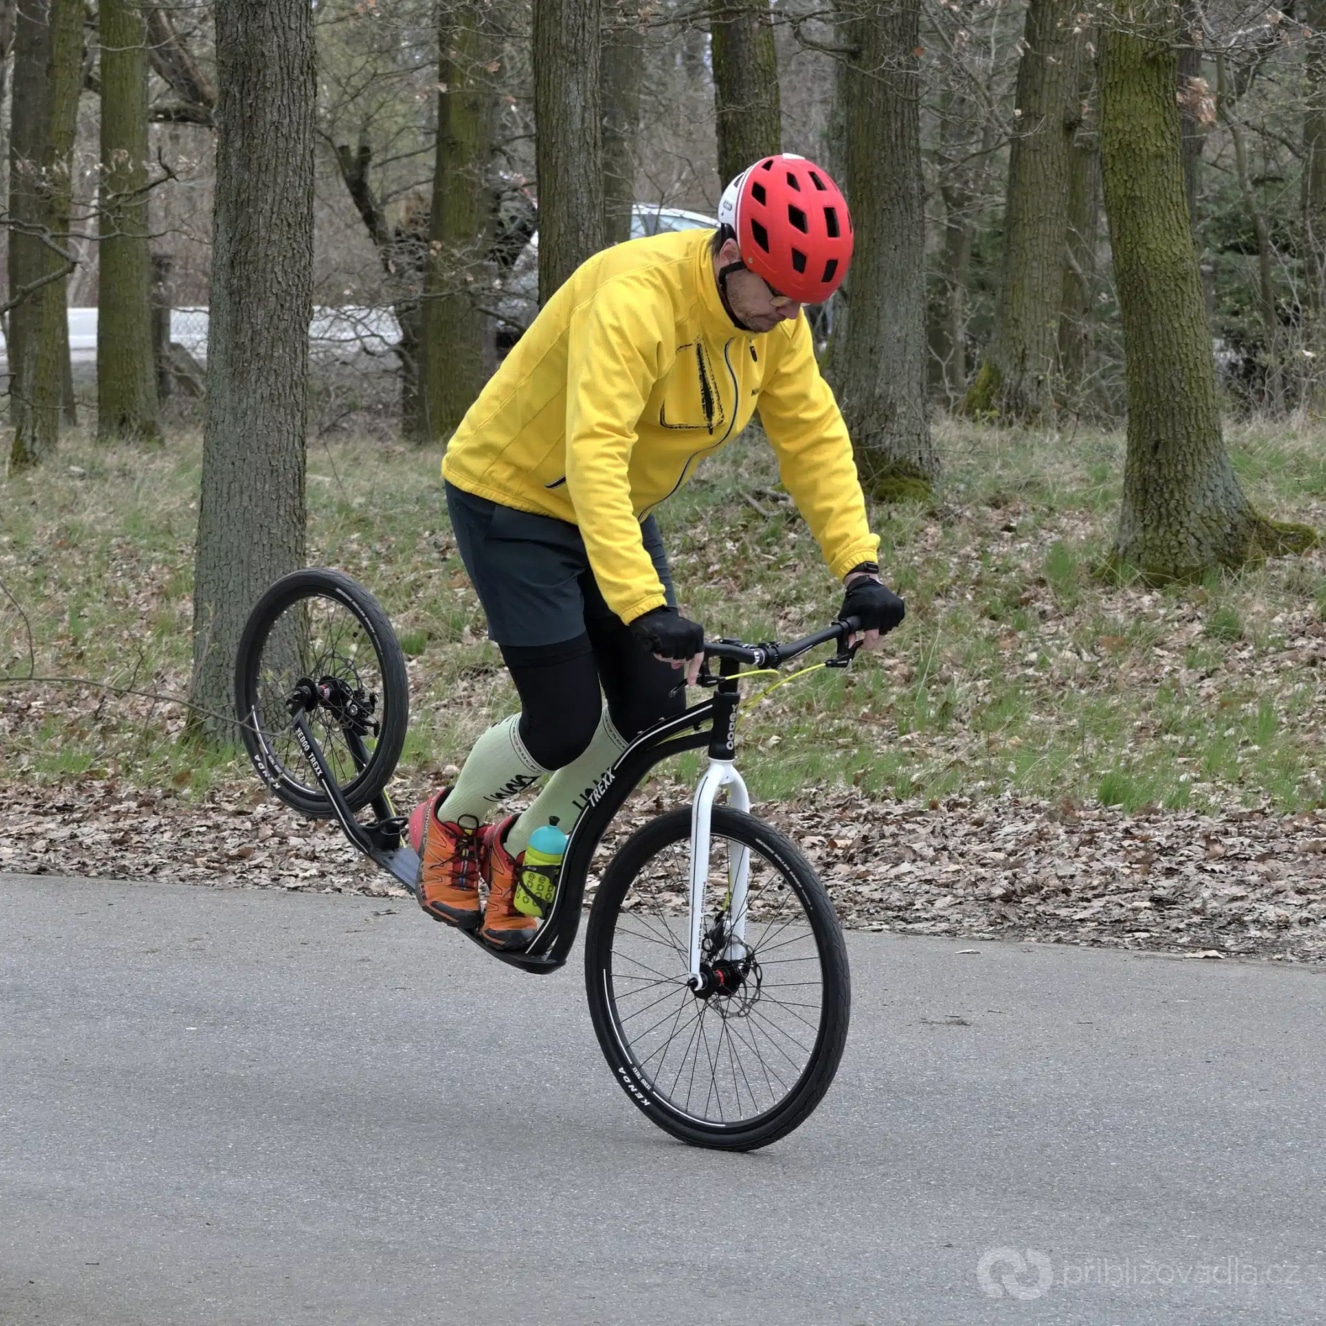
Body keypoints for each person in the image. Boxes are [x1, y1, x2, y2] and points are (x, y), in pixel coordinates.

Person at [410, 152, 905, 951]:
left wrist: (860, 569)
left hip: (615, 507)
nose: (788, 312)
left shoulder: (775, 326)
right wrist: (646, 607)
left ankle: (525, 844)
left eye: (804, 300)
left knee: (650, 708)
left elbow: (812, 436)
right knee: (565, 723)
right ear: (733, 249)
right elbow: (595, 450)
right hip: (517, 495)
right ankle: (446, 825)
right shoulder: (637, 299)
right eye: (777, 291)